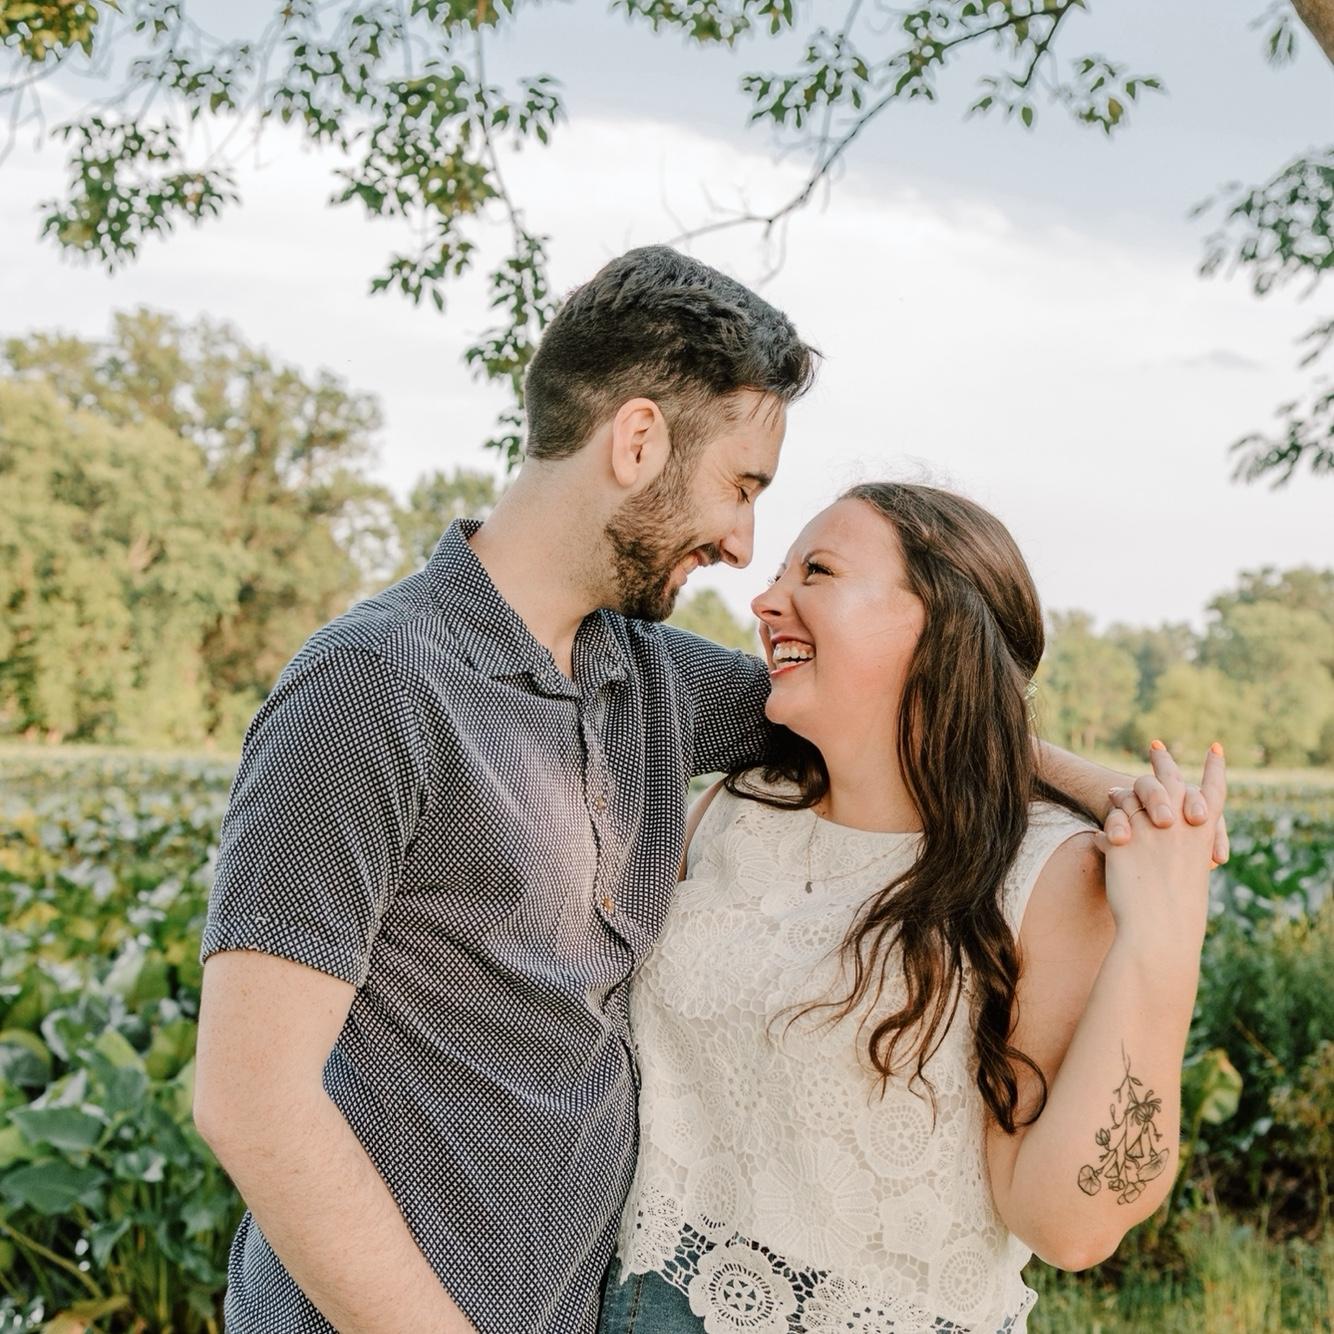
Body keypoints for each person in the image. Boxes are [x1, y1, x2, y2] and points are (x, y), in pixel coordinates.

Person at [191, 246, 1216, 1334]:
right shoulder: (373, 685)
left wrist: (1129, 810)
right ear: (636, 441)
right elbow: (252, 1103)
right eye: (741, 486)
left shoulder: (648, 675)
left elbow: (902, 720)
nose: (741, 546)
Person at [601, 483, 1225, 1334]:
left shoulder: (1048, 871)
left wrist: (1165, 936)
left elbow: (1071, 1223)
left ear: (939, 625)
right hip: (643, 1302)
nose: (764, 598)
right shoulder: (739, 805)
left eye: (816, 571)